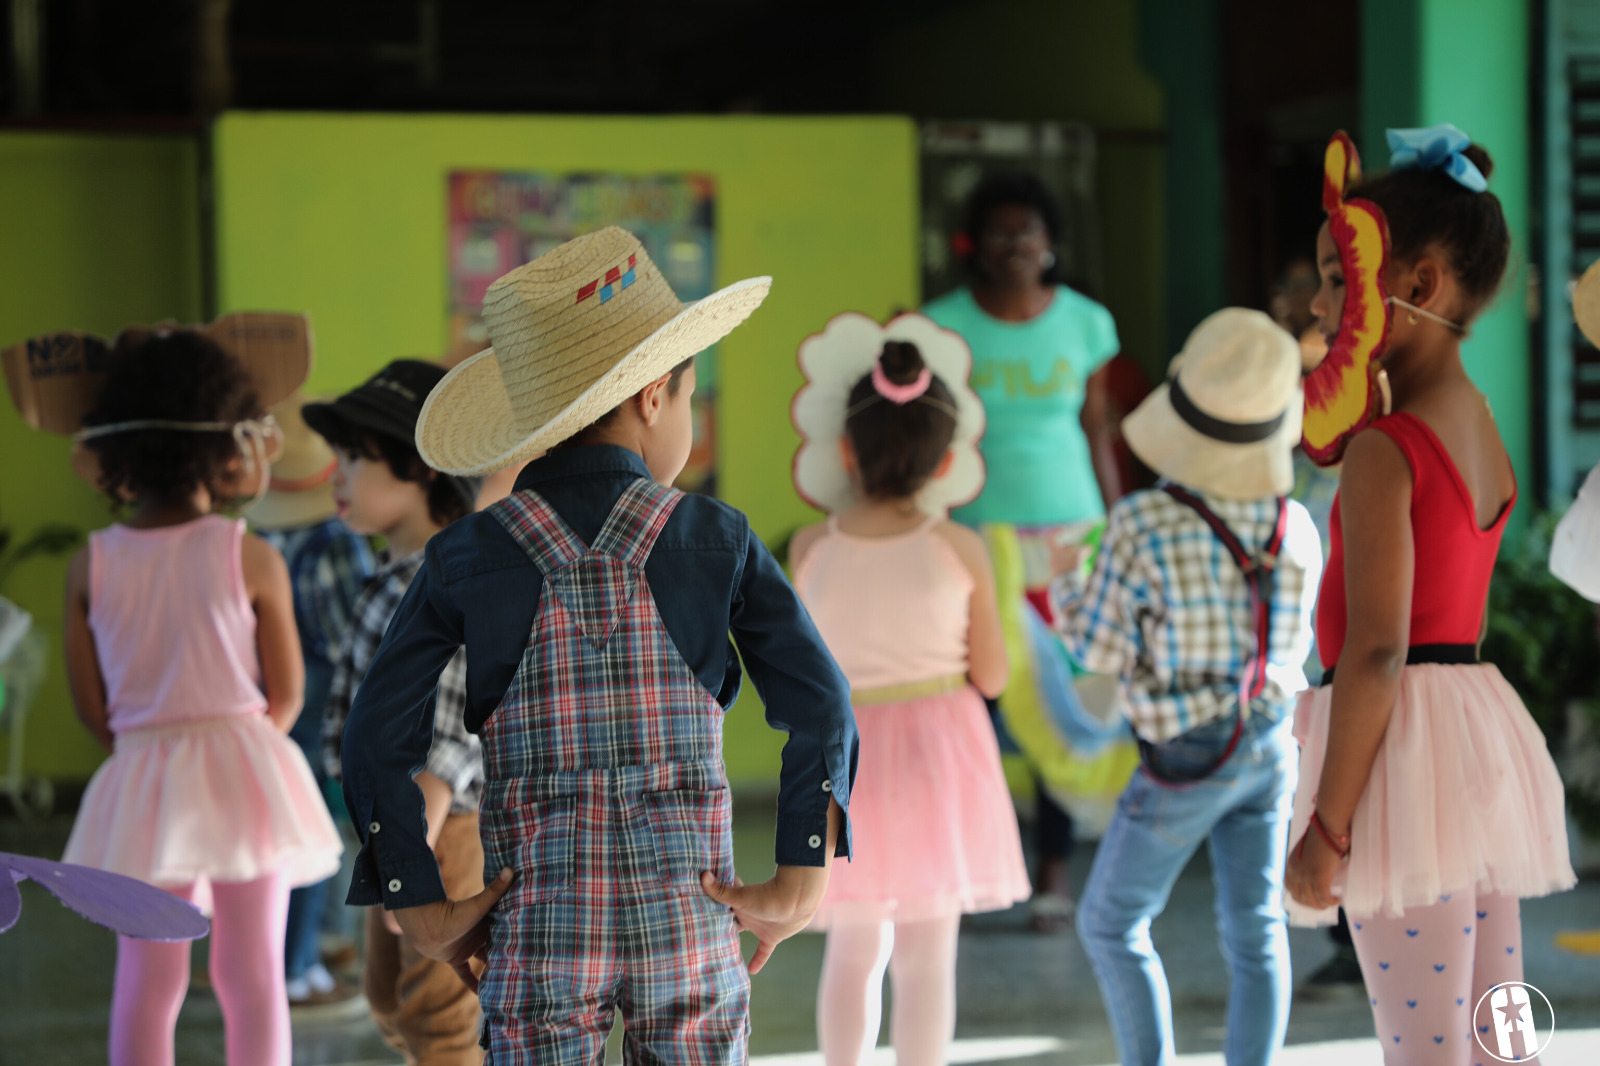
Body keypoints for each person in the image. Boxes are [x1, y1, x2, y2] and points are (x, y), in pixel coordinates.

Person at [337, 228, 857, 1063]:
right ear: (655, 395)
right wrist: (802, 864)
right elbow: (820, 702)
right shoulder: (716, 537)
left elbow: (372, 737)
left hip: (540, 933)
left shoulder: (463, 556)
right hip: (688, 920)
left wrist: (416, 897)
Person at [1284, 127, 1575, 1062]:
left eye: (1338, 276)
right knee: (1499, 1031)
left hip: (1403, 752)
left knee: (1424, 1042)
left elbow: (1375, 649)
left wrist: (1327, 827)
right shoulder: (1479, 420)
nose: (1323, 303)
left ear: (1413, 285)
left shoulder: (1387, 448)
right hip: (1473, 730)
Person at [56, 329, 343, 1066]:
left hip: (143, 778)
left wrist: (153, 750)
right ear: (228, 441)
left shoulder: (90, 565)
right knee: (252, 977)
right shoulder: (250, 555)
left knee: (147, 980)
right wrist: (235, 740)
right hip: (246, 775)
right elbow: (286, 697)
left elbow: (95, 711)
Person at [1053, 309, 1323, 1066]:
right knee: (1255, 930)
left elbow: (1099, 648)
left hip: (1187, 754)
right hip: (1271, 741)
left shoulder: (1143, 522)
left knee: (1111, 921)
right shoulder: (1295, 524)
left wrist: (1064, 582)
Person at [790, 329, 1029, 1066]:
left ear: (846, 454)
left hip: (844, 761)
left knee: (854, 945)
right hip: (942, 755)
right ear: (948, 462)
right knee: (928, 953)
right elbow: (990, 676)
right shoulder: (959, 548)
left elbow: (801, 676)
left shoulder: (809, 548)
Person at [924, 171, 1136, 930]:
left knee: (1063, 697)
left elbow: (1098, 426)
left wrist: (1120, 527)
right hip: (974, 537)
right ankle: (972, 861)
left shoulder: (1087, 322)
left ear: (1051, 244)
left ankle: (1051, 870)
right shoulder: (938, 324)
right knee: (975, 698)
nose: (1016, 245)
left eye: (1029, 232)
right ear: (974, 246)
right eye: (1000, 232)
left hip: (1071, 538)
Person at [302, 360, 484, 1065]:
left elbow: (440, 742)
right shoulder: (397, 572)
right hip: (404, 833)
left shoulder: (440, 581)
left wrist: (407, 863)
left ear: (423, 468)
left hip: (443, 835)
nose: (335, 475)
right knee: (389, 1001)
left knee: (439, 1016)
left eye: (355, 457)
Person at [246, 390, 377, 1013]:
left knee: (277, 831)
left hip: (262, 694)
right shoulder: (333, 540)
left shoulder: (253, 536)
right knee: (318, 832)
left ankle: (288, 959)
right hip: (321, 694)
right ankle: (298, 970)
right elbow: (352, 631)